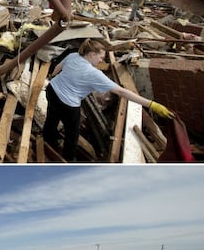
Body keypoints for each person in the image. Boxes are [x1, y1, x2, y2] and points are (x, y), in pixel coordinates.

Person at [43, 38, 174, 161]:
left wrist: (58, 78)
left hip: (52, 90)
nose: (101, 60)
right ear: (92, 54)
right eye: (100, 57)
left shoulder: (73, 56)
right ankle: (68, 160)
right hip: (68, 105)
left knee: (52, 117)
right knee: (72, 135)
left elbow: (56, 69)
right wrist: (152, 105)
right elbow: (121, 91)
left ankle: (47, 140)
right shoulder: (94, 74)